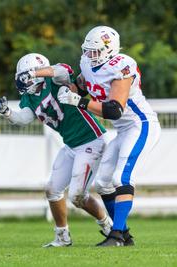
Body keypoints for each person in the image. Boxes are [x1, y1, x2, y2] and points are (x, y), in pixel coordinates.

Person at [57, 26, 161, 246]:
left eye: (94, 51)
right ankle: (123, 234)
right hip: (123, 130)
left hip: (140, 124)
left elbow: (114, 110)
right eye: (87, 50)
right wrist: (71, 90)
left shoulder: (122, 66)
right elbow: (83, 85)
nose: (89, 56)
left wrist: (79, 102)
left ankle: (115, 236)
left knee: (120, 178)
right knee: (103, 182)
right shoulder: (88, 63)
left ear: (109, 49)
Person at [0, 53, 112, 247]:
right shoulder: (29, 97)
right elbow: (24, 118)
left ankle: (108, 226)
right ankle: (62, 236)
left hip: (91, 140)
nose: (23, 80)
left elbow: (60, 70)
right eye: (21, 76)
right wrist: (7, 113)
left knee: (77, 197)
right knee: (52, 190)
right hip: (71, 145)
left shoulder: (55, 80)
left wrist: (34, 72)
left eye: (26, 76)